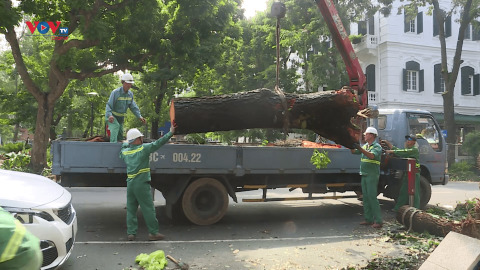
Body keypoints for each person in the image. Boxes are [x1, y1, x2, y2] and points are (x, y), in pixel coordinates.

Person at [119, 121, 176, 241]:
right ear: (137, 139)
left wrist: (125, 143)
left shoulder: (126, 152)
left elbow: (122, 150)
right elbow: (158, 143)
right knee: (148, 208)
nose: (142, 139)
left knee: (131, 209)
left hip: (130, 184)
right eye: (141, 137)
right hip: (141, 184)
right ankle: (153, 233)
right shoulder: (143, 149)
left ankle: (131, 233)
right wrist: (170, 132)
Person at [350, 127, 383, 229]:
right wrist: (349, 145)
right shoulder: (366, 146)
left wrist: (360, 148)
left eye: (366, 134)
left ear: (372, 135)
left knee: (372, 197)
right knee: (366, 198)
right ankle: (368, 219)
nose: (364, 135)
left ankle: (379, 221)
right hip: (364, 174)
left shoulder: (377, 147)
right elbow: (353, 152)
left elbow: (372, 156)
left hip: (372, 175)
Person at [383, 134, 421, 211]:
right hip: (408, 173)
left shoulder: (414, 150)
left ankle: (416, 210)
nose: (408, 141)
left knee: (415, 191)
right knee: (403, 191)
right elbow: (399, 150)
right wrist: (388, 143)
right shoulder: (408, 149)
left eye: (410, 139)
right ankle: (397, 208)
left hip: (414, 174)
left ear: (414, 142)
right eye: (407, 139)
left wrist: (390, 151)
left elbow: (402, 152)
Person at [105, 73, 146, 143]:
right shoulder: (115, 93)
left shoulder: (130, 94)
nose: (129, 85)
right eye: (127, 83)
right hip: (112, 117)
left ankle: (120, 150)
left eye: (130, 83)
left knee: (120, 135)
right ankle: (112, 147)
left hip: (120, 119)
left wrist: (139, 116)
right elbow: (109, 105)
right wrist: (110, 115)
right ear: (123, 82)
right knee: (115, 127)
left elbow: (133, 107)